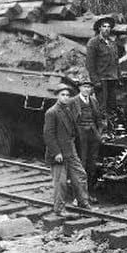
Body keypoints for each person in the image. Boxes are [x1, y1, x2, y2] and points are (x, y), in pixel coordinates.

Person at [43, 83, 92, 215]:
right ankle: (59, 208)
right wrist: (56, 152)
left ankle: (83, 202)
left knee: (80, 175)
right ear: (57, 96)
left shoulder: (68, 110)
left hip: (70, 150)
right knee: (61, 182)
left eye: (67, 95)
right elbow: (48, 135)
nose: (65, 97)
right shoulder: (52, 112)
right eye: (62, 95)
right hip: (59, 153)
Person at [72, 76, 103, 201]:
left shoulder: (93, 101)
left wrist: (99, 133)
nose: (86, 90)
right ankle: (78, 196)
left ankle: (89, 193)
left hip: (93, 135)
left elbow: (98, 119)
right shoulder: (73, 102)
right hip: (80, 136)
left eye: (89, 87)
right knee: (80, 165)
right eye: (84, 87)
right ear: (79, 88)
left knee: (92, 165)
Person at [86, 16, 119, 115]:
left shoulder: (112, 43)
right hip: (101, 80)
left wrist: (119, 76)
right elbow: (89, 64)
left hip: (112, 79)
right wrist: (95, 81)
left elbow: (116, 61)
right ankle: (102, 129)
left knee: (112, 106)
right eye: (104, 26)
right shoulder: (93, 42)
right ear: (99, 28)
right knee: (102, 108)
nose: (106, 29)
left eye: (108, 27)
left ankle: (111, 128)